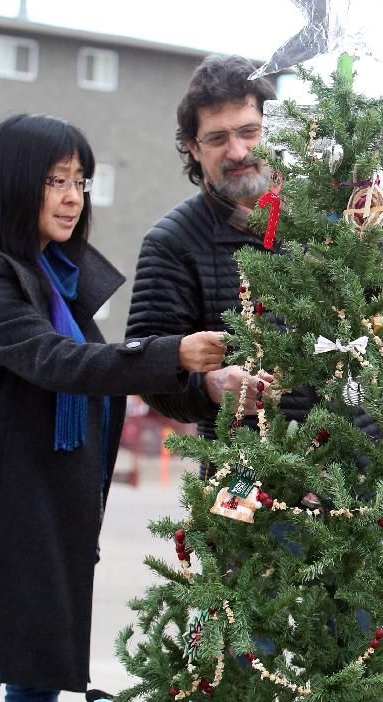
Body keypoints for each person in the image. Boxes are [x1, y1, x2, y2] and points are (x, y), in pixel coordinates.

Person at [0, 113, 226, 702]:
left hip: (48, 520)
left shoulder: (60, 280)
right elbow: (57, 361)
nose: (71, 197)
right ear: (12, 185)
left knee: (38, 682)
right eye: (55, 180)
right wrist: (171, 353)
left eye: (80, 181)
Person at [125, 53, 314, 441]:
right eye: (217, 138)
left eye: (249, 131)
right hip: (243, 470)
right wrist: (209, 387)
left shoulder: (331, 219)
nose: (238, 151)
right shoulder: (171, 242)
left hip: (360, 465)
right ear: (193, 148)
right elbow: (146, 369)